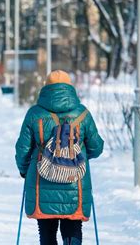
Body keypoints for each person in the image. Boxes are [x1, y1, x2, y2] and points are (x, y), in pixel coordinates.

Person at [15, 70, 104, 245]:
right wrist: (79, 154)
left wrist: (24, 170)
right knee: (73, 230)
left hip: (42, 179)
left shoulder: (34, 114)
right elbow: (97, 147)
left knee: (46, 233)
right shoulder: (82, 114)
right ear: (70, 87)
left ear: (46, 88)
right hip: (75, 182)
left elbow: (22, 149)